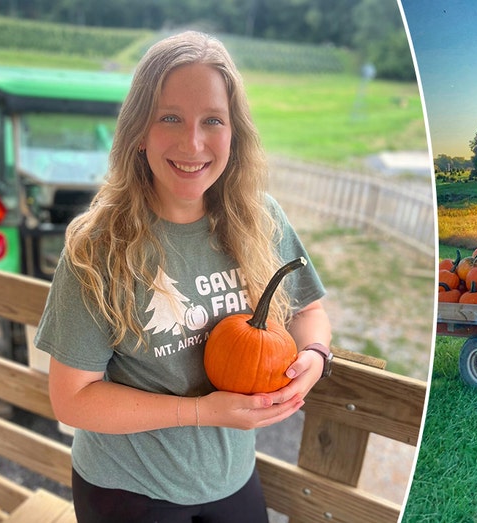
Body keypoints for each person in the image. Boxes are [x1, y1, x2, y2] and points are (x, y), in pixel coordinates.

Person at [34, 30, 332, 522]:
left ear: (233, 132)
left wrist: (315, 358)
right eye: (169, 117)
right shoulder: (98, 247)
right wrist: (203, 412)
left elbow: (310, 310)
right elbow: (72, 399)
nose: (192, 143)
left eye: (211, 120)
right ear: (138, 133)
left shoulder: (259, 219)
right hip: (128, 489)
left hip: (231, 478)